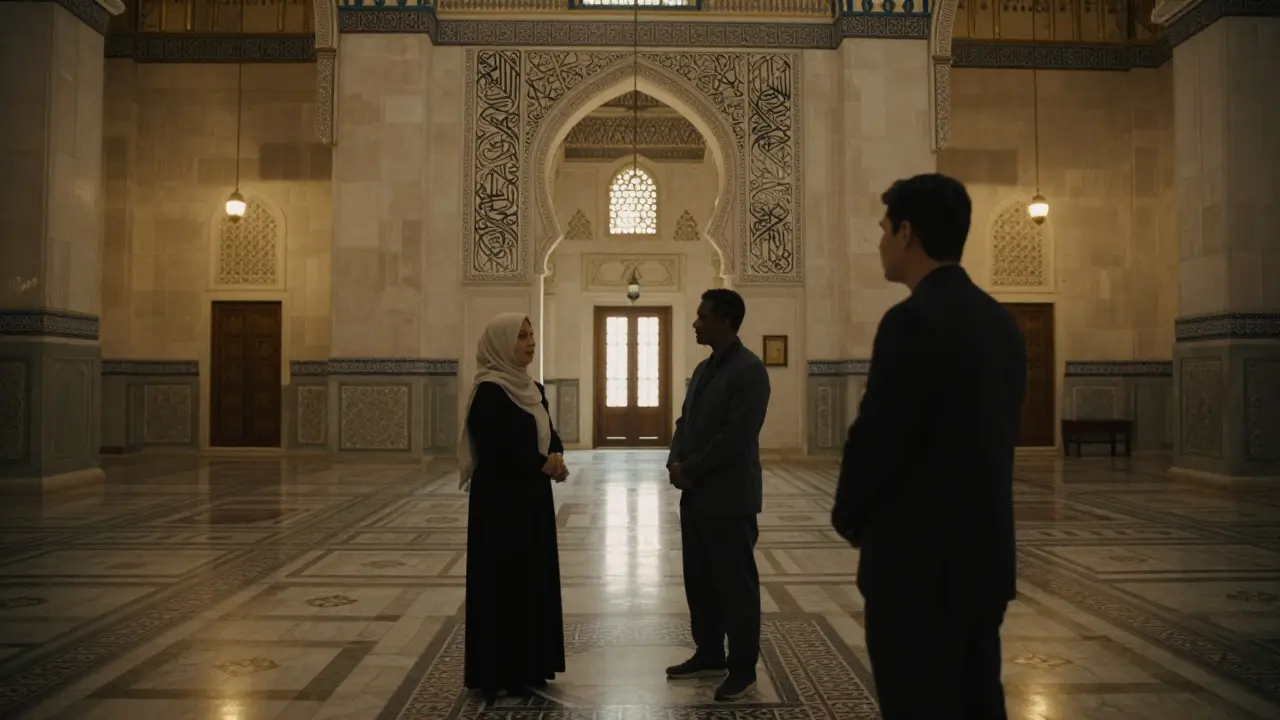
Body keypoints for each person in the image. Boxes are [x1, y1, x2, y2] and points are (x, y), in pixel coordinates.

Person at [831, 173, 1026, 720]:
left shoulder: (911, 321)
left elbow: (878, 437)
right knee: (977, 699)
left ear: (908, 232)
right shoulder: (1001, 323)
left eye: (884, 229)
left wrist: (851, 519)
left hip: (918, 571)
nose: (880, 243)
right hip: (984, 561)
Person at [665, 288, 771, 702]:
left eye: (702, 316)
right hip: (696, 496)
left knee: (735, 585)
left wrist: (690, 469)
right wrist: (675, 461)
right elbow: (684, 421)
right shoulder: (706, 369)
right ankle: (708, 652)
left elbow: (736, 437)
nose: (696, 322)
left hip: (729, 500)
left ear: (724, 322)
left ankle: (741, 666)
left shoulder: (749, 371)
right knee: (701, 580)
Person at [458, 313, 569, 704]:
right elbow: (497, 446)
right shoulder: (489, 391)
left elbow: (549, 432)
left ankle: (529, 665)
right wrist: (540, 464)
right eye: (522, 336)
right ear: (502, 344)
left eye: (531, 334)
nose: (530, 341)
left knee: (530, 578)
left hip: (533, 501)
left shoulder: (533, 388)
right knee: (501, 581)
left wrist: (556, 457)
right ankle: (496, 671)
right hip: (500, 503)